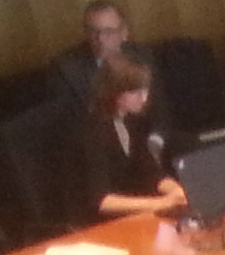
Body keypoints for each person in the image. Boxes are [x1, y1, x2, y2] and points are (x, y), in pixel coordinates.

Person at [77, 54, 184, 222]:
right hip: (95, 222)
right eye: (135, 92)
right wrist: (161, 203)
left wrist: (177, 191)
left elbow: (150, 171)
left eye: (145, 90)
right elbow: (101, 201)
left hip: (131, 214)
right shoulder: (91, 132)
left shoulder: (132, 121)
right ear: (114, 93)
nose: (144, 98)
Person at [50, 0, 163, 133]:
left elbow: (159, 106)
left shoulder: (142, 56)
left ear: (124, 33)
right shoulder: (65, 68)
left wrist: (156, 139)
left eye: (109, 31)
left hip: (145, 134)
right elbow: (67, 123)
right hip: (96, 138)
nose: (101, 39)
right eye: (93, 31)